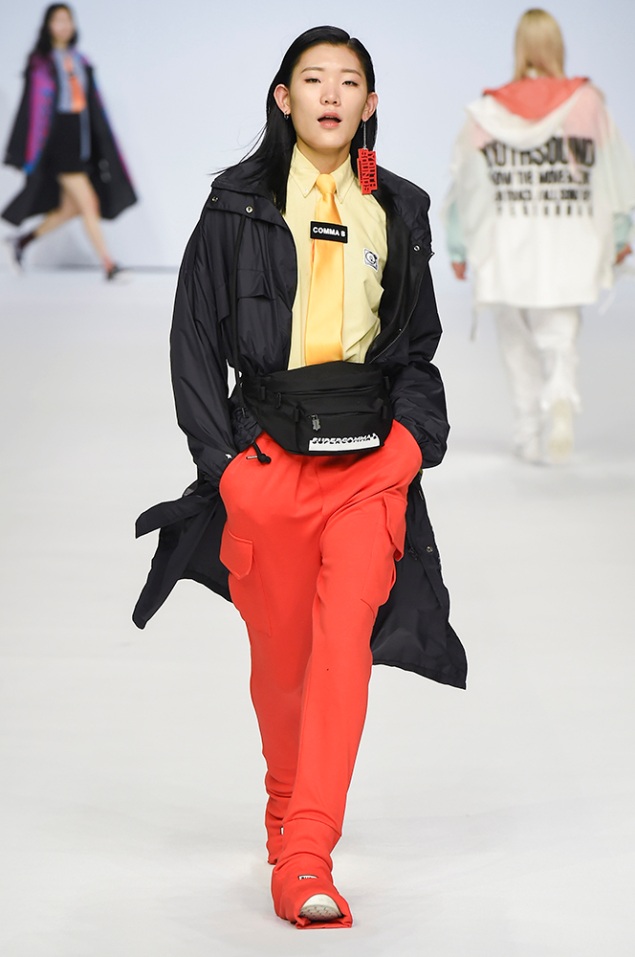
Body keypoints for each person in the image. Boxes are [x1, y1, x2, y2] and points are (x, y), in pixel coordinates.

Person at [133, 25, 466, 928]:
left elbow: (417, 348)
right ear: (282, 98)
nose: (329, 94)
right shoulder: (235, 207)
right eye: (312, 79)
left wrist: (409, 447)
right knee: (281, 667)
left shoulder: (398, 207)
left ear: (369, 104)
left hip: (368, 469)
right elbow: (193, 340)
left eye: (348, 81)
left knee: (341, 653)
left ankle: (308, 850)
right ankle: (285, 807)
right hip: (267, 466)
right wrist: (225, 471)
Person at [444, 8, 635, 464]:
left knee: (516, 342)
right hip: (569, 238)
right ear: (557, 47)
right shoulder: (587, 104)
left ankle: (528, 431)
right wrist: (619, 235)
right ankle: (561, 395)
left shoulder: (489, 111)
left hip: (505, 243)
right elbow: (613, 177)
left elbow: (465, 184)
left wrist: (459, 244)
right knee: (560, 334)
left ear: (520, 48)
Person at [2, 4, 136, 279]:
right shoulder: (40, 63)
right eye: (58, 20)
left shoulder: (80, 60)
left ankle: (20, 243)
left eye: (67, 20)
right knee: (89, 203)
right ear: (48, 26)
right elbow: (32, 110)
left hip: (79, 139)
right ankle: (109, 265)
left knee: (70, 208)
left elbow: (90, 106)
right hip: (57, 140)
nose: (63, 25)